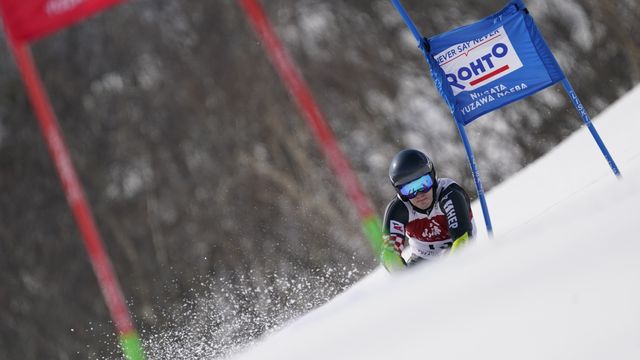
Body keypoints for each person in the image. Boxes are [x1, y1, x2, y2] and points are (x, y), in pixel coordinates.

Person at [382, 149, 475, 269]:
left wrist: (452, 270)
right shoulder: (399, 209)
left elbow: (462, 239)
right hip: (423, 258)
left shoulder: (449, 194)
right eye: (409, 189)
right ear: (400, 192)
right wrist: (404, 279)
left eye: (423, 183)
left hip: (457, 251)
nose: (419, 194)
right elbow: (389, 255)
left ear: (433, 177)